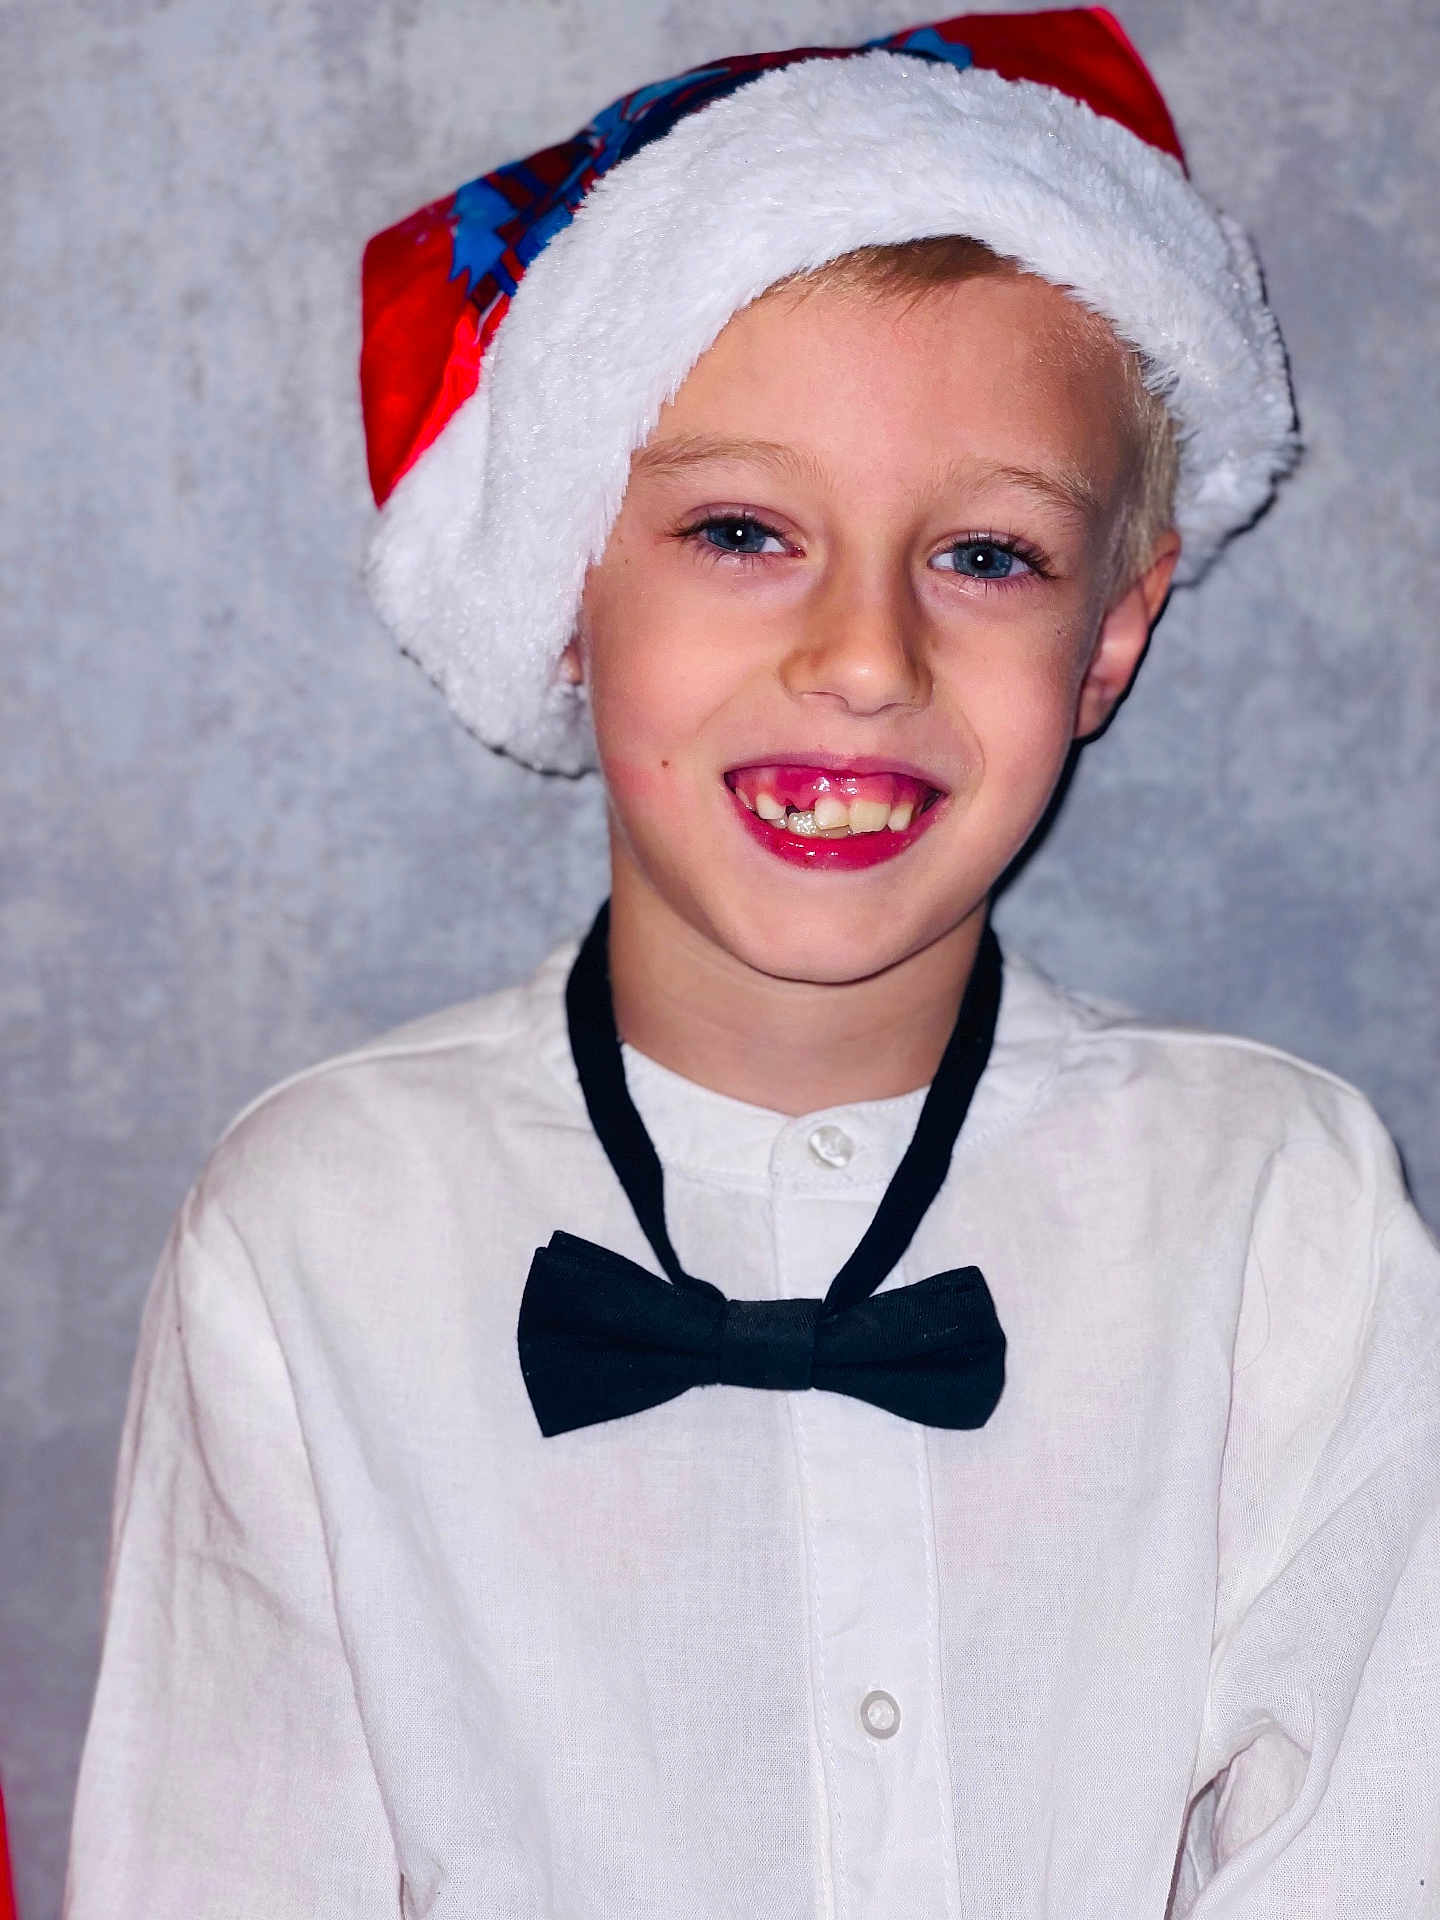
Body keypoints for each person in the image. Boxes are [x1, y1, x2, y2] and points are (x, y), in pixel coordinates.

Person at [65, 11, 1440, 1917]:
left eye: (985, 556)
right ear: (566, 586)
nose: (864, 657)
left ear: (1114, 637)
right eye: (741, 531)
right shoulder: (313, 1231)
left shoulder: (1283, 1212)